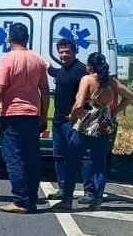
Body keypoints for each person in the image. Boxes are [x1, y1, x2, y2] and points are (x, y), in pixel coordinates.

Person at [0, 22, 49, 214]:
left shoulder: (8, 60)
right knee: (32, 158)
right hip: (32, 115)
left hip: (13, 114)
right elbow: (44, 90)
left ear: (9, 38)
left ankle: (20, 200)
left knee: (14, 157)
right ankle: (32, 198)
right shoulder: (38, 60)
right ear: (27, 38)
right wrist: (43, 115)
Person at [55, 53, 133, 211]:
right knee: (99, 165)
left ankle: (67, 200)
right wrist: (115, 111)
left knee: (71, 161)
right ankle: (96, 200)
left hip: (86, 126)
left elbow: (78, 104)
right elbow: (130, 96)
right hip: (103, 127)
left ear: (90, 66)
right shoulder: (111, 81)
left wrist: (73, 119)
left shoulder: (88, 79)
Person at [47, 38, 95, 202]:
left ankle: (90, 192)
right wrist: (48, 69)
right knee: (59, 156)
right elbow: (57, 74)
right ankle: (63, 188)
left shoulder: (82, 70)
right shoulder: (63, 69)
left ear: (74, 52)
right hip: (58, 121)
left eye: (67, 51)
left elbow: (90, 95)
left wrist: (79, 115)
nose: (64, 55)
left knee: (84, 157)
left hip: (74, 122)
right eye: (61, 52)